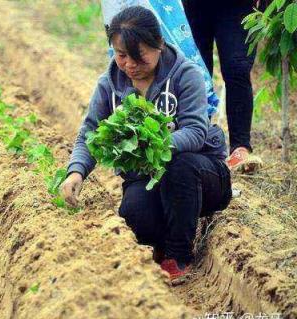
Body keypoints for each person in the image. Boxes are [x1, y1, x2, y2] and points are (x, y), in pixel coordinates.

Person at [61, 6, 233, 285]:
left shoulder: (185, 75)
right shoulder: (109, 85)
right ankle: (164, 235)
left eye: (138, 55)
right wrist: (76, 171)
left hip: (201, 174)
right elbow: (90, 133)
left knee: (178, 166)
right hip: (147, 177)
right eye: (121, 55)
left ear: (159, 44)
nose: (129, 64)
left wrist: (154, 141)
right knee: (136, 218)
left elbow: (196, 132)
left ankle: (179, 255)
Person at [183, 0, 264, 173]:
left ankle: (240, 148)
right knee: (195, 71)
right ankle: (197, 142)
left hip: (239, 6)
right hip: (194, 6)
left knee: (237, 68)